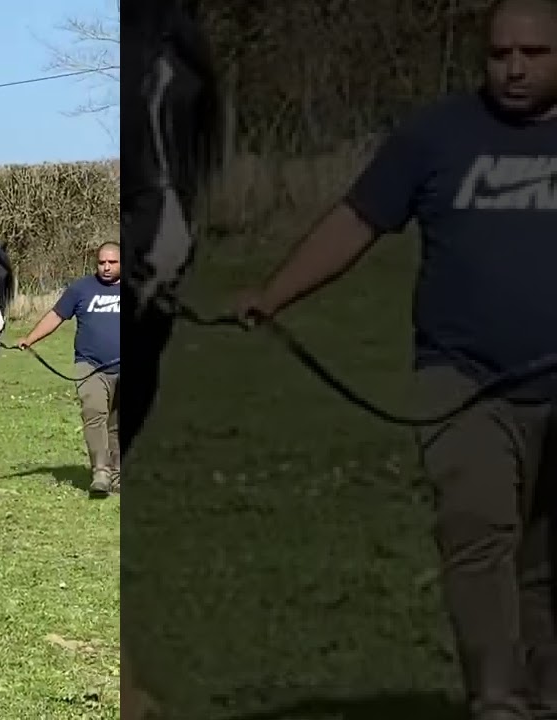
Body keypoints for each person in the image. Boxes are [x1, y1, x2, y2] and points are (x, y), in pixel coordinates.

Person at [234, 1, 557, 717]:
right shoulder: (436, 136)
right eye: (500, 53)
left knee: (543, 564)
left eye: (533, 54)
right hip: (463, 379)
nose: (513, 67)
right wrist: (274, 293)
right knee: (477, 532)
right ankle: (498, 699)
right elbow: (357, 218)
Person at [18, 242, 121, 497]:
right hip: (90, 365)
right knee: (94, 412)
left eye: (112, 262)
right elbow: (56, 315)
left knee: (117, 424)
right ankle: (100, 472)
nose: (106, 267)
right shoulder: (81, 289)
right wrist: (29, 339)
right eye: (102, 262)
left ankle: (118, 475)